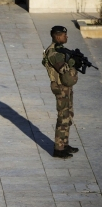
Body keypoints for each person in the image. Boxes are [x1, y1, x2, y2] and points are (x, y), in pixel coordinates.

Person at [42, 26, 79, 159]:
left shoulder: (60, 50)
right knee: (63, 117)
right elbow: (63, 69)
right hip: (59, 86)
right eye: (64, 35)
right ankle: (58, 149)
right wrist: (73, 61)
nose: (66, 37)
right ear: (57, 36)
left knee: (68, 115)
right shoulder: (53, 52)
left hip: (66, 86)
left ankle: (64, 143)